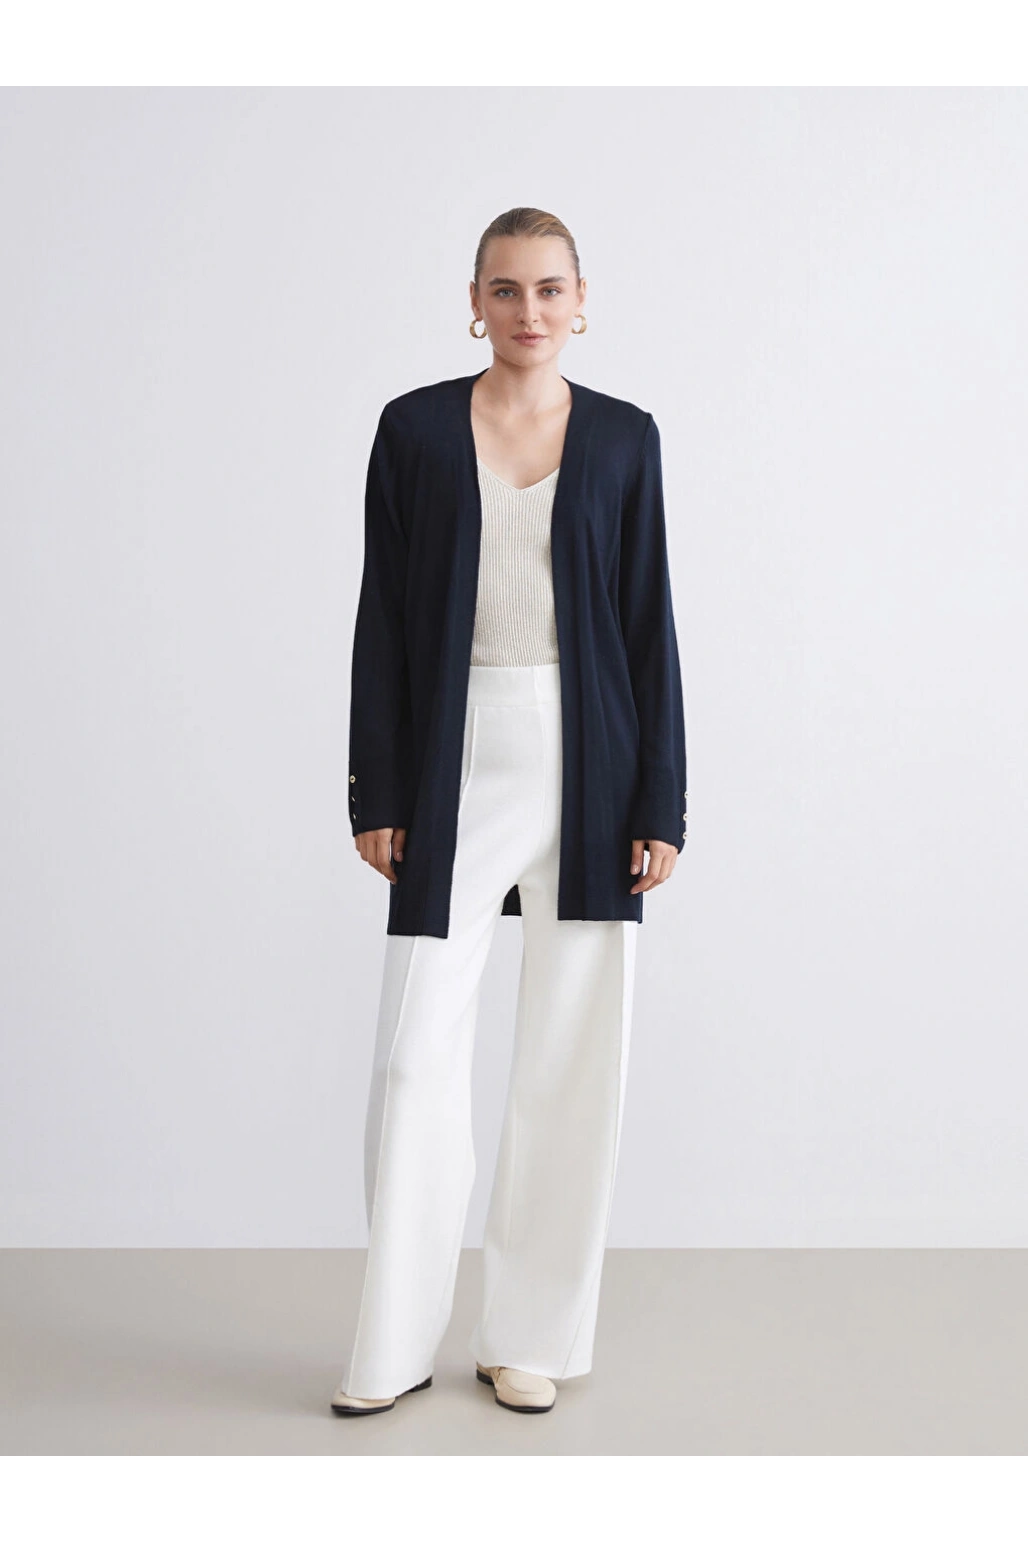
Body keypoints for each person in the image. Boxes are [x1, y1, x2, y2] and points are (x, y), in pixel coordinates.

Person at [331, 207, 687, 1417]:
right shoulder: (415, 430)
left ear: (581, 299)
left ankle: (528, 1336)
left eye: (547, 289)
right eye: (504, 289)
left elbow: (647, 626)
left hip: (592, 767)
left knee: (570, 1063)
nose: (527, 311)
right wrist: (377, 785)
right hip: (453, 758)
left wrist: (659, 801)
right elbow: (382, 613)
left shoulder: (626, 437)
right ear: (473, 301)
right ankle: (391, 1345)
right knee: (412, 1056)